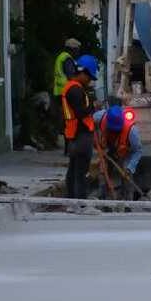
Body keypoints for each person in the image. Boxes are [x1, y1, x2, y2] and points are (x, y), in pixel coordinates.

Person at [60, 55, 98, 199]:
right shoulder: (76, 90)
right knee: (81, 173)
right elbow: (81, 112)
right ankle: (81, 203)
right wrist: (93, 106)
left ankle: (72, 200)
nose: (89, 81)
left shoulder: (72, 88)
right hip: (81, 135)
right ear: (82, 72)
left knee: (74, 171)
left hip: (74, 135)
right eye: (89, 77)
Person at [92, 105, 143, 199]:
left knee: (127, 176)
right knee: (103, 174)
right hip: (107, 151)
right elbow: (89, 122)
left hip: (124, 153)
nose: (114, 131)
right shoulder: (100, 117)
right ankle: (103, 200)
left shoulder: (132, 131)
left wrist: (130, 167)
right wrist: (94, 139)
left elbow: (138, 151)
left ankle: (128, 202)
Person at [52, 38, 81, 127]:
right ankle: (67, 134)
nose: (78, 52)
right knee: (68, 115)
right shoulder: (67, 59)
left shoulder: (61, 57)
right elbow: (71, 77)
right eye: (77, 50)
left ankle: (62, 133)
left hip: (59, 91)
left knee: (62, 115)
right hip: (66, 91)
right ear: (72, 49)